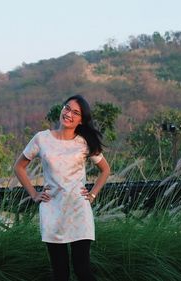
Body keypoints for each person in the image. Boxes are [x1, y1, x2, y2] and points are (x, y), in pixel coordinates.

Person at [14, 95, 110, 281]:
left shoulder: (84, 142)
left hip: (78, 210)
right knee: (60, 273)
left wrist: (92, 195)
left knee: (83, 270)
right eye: (67, 108)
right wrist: (34, 194)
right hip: (52, 210)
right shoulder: (41, 138)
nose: (69, 114)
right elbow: (19, 167)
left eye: (76, 112)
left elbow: (105, 170)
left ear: (81, 119)